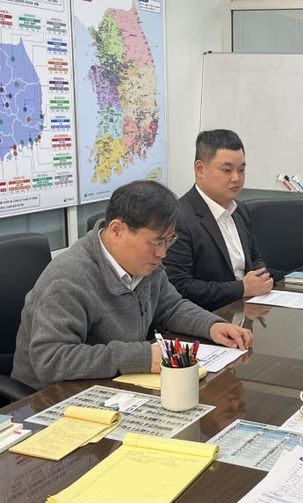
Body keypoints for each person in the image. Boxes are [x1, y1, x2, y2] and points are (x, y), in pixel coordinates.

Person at [12, 181, 252, 390]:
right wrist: (141, 357)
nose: (163, 253)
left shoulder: (145, 263)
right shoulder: (69, 279)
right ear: (117, 230)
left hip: (111, 384)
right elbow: (51, 360)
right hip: (51, 398)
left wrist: (212, 326)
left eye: (168, 241)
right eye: (157, 242)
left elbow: (171, 307)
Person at [164, 130, 273, 311]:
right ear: (200, 169)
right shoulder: (179, 217)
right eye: (227, 170)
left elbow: (255, 257)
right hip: (207, 316)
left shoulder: (240, 210)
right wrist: (241, 288)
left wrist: (261, 276)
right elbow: (178, 286)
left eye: (241, 170)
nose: (236, 178)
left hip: (247, 309)